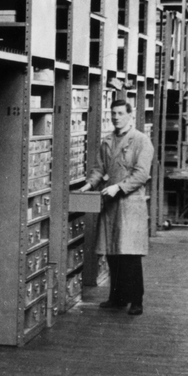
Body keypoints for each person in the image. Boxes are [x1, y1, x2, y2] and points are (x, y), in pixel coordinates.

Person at [81, 100, 155, 316]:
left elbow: (141, 174)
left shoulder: (141, 141)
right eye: (113, 113)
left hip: (130, 203)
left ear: (130, 115)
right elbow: (99, 169)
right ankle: (117, 298)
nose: (116, 117)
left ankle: (136, 300)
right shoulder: (107, 141)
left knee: (130, 254)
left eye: (121, 113)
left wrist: (119, 187)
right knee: (113, 252)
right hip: (111, 204)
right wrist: (89, 184)